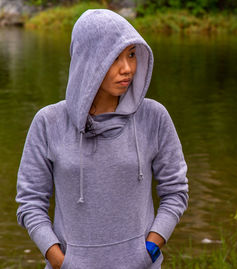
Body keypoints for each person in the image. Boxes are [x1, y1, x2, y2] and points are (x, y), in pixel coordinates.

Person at [15, 9, 189, 269]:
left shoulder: (154, 117)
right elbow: (30, 202)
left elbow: (175, 191)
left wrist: (150, 248)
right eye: (114, 57)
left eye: (131, 54)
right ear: (88, 60)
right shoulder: (49, 122)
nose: (128, 68)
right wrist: (61, 261)